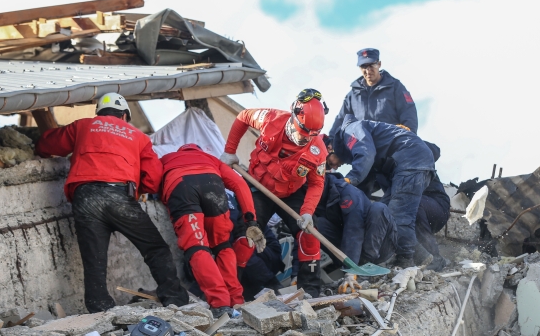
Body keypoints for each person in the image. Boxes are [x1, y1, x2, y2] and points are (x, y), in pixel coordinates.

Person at [35, 93, 189, 313]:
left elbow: (49, 143)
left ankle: (100, 310)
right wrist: (139, 189)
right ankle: (175, 299)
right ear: (125, 115)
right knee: (155, 248)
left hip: (85, 196)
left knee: (94, 258)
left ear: (98, 113)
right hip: (119, 195)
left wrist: (38, 149)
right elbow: (153, 178)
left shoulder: (84, 126)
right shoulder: (139, 137)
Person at [219, 88, 329, 297]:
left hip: (292, 193)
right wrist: (230, 151)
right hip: (259, 187)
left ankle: (310, 293)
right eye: (302, 133)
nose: (304, 140)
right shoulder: (270, 119)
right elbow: (243, 117)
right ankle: (232, 292)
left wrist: (307, 212)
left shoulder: (318, 151)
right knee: (246, 234)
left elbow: (316, 184)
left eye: (310, 137)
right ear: (294, 116)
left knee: (309, 234)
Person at [160, 144, 266, 318]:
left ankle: (220, 304)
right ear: (199, 150)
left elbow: (150, 180)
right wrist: (251, 220)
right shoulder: (211, 159)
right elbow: (240, 184)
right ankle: (236, 301)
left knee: (196, 247)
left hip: (182, 187)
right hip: (213, 185)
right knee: (222, 245)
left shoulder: (167, 159)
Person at [328, 114, 435, 268]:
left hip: (410, 161)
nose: (334, 168)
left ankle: (406, 260)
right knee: (382, 214)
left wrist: (350, 179)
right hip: (412, 162)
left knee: (398, 215)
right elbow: (366, 180)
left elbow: (366, 153)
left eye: (330, 163)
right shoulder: (359, 133)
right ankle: (420, 255)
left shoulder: (350, 130)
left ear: (331, 148)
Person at [312, 171, 397, 293]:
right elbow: (302, 232)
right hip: (353, 252)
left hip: (382, 246)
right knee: (318, 225)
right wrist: (297, 272)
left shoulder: (347, 193)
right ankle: (350, 267)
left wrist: (352, 270)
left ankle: (365, 269)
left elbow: (353, 230)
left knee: (378, 208)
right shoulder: (311, 198)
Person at [328, 48, 418, 139]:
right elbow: (341, 121)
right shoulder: (353, 95)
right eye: (364, 66)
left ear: (379, 64)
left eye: (371, 65)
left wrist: (409, 139)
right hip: (363, 147)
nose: (368, 70)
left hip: (391, 143)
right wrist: (331, 140)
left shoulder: (396, 87)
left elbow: (409, 114)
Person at [413, 142, 450, 271]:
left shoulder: (405, 143)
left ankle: (435, 258)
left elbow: (435, 150)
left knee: (412, 204)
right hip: (414, 207)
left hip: (436, 206)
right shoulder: (378, 166)